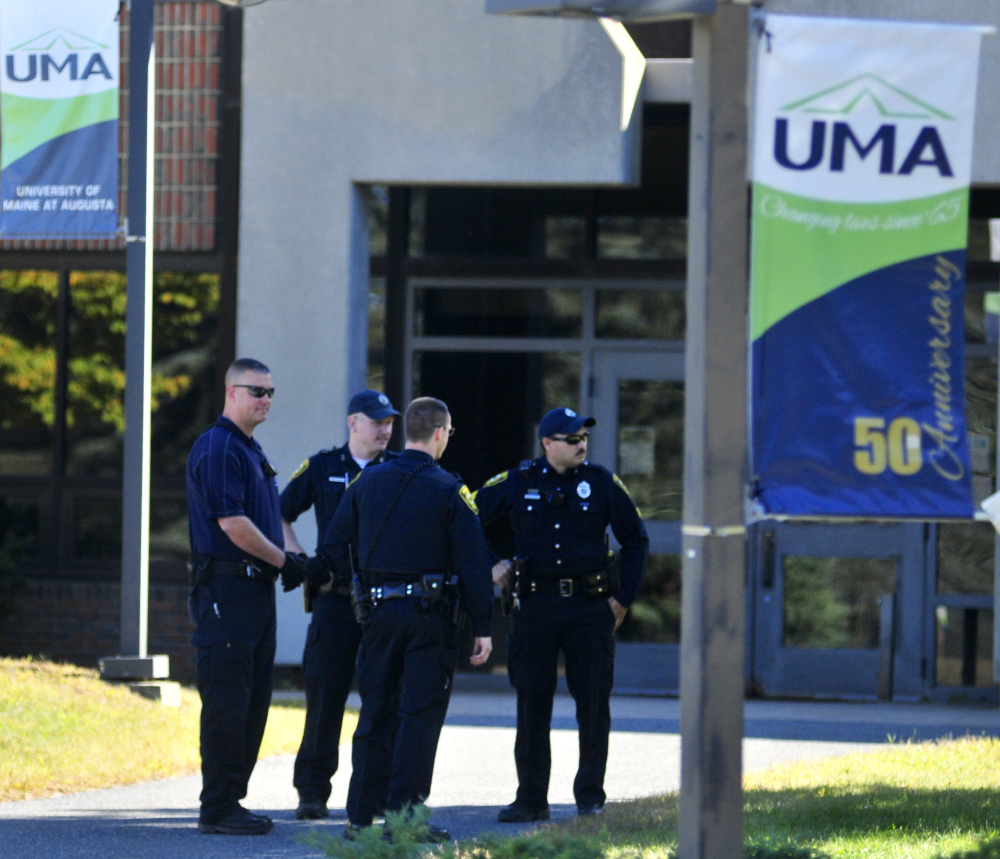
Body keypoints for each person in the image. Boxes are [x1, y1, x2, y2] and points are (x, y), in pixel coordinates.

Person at [318, 396, 494, 842]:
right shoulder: (450, 490)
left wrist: (362, 581)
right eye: (449, 434)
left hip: (376, 615)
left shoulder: (366, 482)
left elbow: (334, 547)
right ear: (439, 433)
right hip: (429, 619)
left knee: (375, 712)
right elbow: (474, 566)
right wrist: (483, 627)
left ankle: (359, 819)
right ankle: (404, 819)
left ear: (407, 431)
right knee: (418, 717)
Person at [473, 407, 649, 823]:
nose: (581, 444)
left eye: (584, 438)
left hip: (590, 607)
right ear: (547, 443)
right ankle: (531, 797)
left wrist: (623, 599)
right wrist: (490, 563)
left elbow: (636, 540)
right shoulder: (518, 481)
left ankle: (590, 796)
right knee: (532, 700)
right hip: (534, 607)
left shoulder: (601, 483)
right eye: (571, 439)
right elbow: (464, 520)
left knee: (592, 703)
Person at [186, 357, 309, 836]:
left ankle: (231, 802)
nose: (266, 400)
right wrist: (285, 561)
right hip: (227, 590)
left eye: (271, 392)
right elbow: (232, 523)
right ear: (231, 392)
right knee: (228, 701)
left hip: (252, 589)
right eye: (256, 391)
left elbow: (263, 519)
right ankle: (217, 808)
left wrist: (289, 559)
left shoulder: (247, 448)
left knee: (254, 699)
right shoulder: (219, 448)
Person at [280, 389, 400, 820]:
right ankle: (312, 791)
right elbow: (281, 512)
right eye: (377, 422)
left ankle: (380, 791)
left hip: (384, 602)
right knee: (325, 697)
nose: (386, 429)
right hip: (335, 600)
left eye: (389, 422)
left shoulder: (398, 469)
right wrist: (299, 559)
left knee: (383, 699)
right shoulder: (323, 466)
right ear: (354, 423)